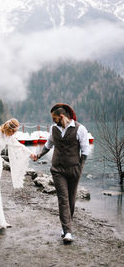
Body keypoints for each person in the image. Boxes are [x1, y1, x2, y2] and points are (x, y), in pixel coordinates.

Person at [35, 103, 89, 242]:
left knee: (71, 199)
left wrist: (80, 169)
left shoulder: (80, 129)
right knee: (63, 200)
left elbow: (85, 151)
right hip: (57, 170)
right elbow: (48, 144)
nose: (53, 121)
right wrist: (39, 155)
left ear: (62, 116)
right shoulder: (54, 129)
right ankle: (68, 232)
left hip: (73, 170)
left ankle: (66, 226)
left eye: (54, 118)